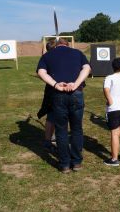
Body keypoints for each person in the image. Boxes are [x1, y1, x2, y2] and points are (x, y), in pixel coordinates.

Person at [37, 40, 91, 173]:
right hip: (76, 94)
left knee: (61, 130)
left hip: (57, 95)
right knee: (77, 129)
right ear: (68, 45)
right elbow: (87, 68)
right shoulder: (77, 53)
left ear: (56, 46)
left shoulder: (48, 55)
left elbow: (41, 72)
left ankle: (65, 164)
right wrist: (76, 83)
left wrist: (56, 85)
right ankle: (77, 162)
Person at [37, 39, 70, 153]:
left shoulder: (49, 57)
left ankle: (52, 139)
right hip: (53, 90)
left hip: (59, 89)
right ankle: (49, 141)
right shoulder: (50, 58)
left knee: (55, 117)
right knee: (52, 117)